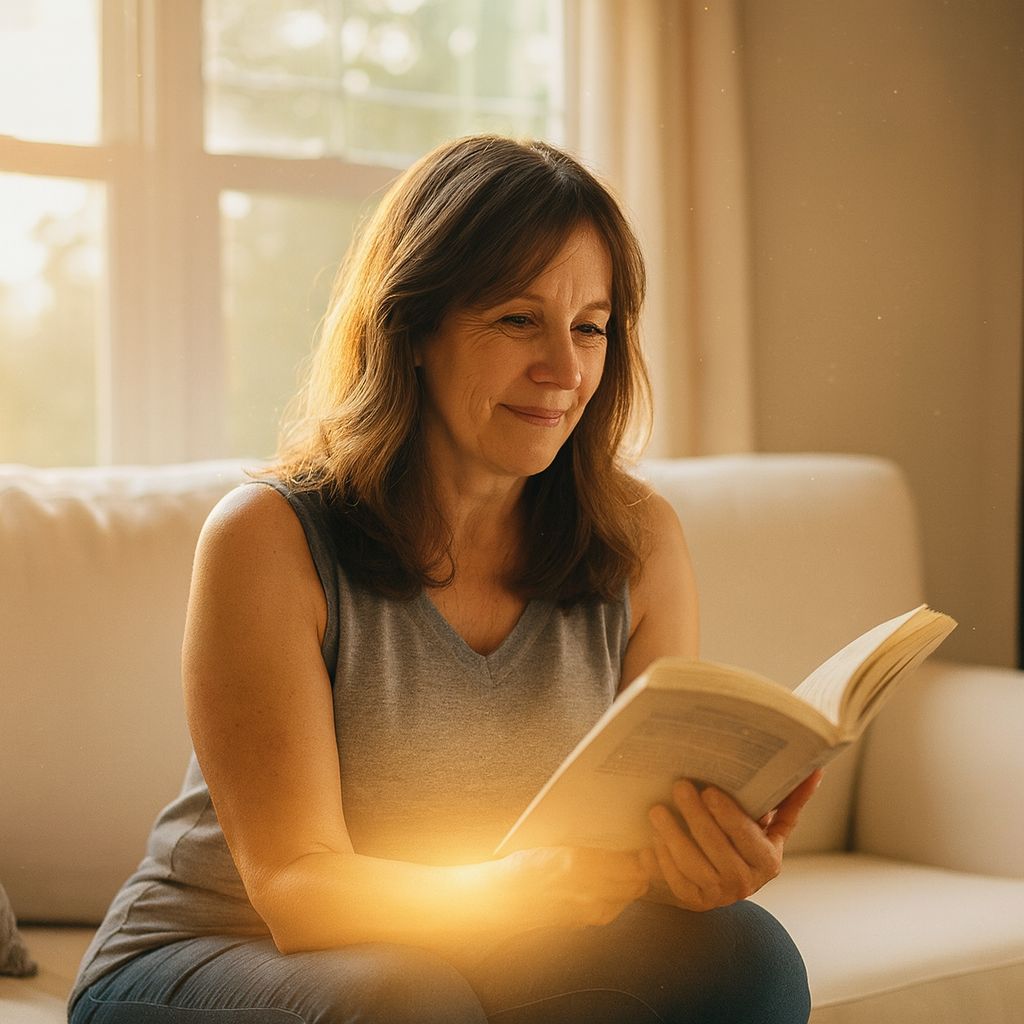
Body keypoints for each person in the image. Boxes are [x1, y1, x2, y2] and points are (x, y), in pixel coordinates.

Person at [68, 134, 819, 1024]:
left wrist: (697, 865)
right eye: (516, 320)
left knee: (744, 957)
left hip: (461, 953)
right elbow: (296, 892)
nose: (566, 370)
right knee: (408, 1002)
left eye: (590, 327)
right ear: (413, 328)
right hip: (214, 956)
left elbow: (621, 855)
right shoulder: (269, 538)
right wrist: (509, 893)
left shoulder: (639, 542)